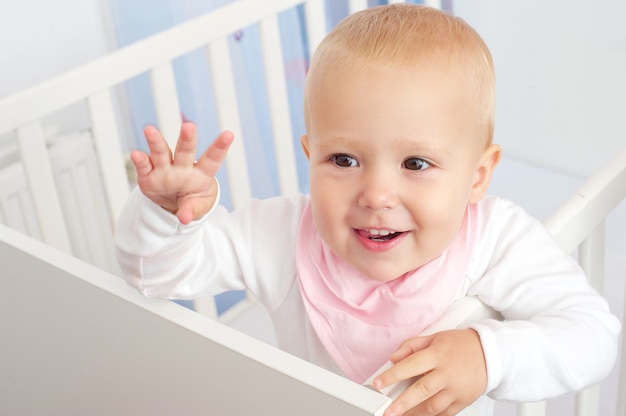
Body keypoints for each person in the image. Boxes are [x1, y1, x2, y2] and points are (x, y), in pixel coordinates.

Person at [115, 4, 620, 416]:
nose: (376, 194)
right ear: (310, 156)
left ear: (478, 176)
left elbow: (594, 333)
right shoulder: (281, 232)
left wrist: (489, 355)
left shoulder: (496, 237)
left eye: (415, 163)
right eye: (344, 159)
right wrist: (165, 218)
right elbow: (159, 277)